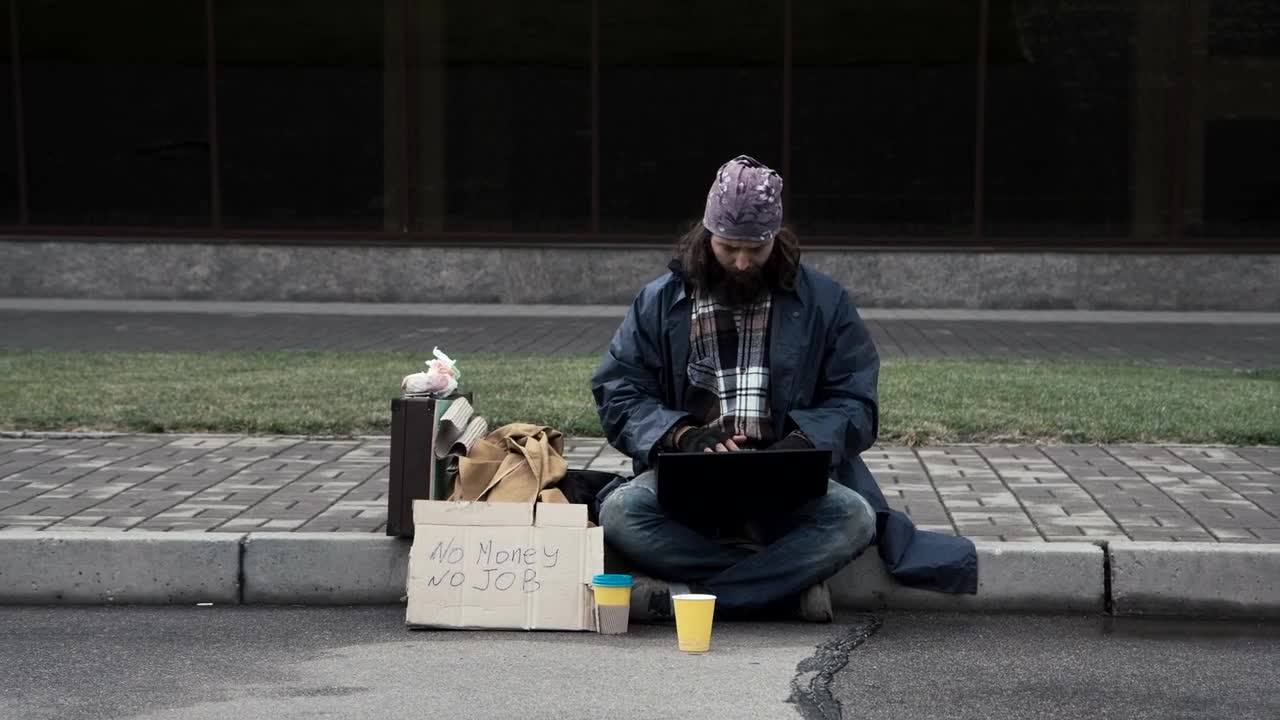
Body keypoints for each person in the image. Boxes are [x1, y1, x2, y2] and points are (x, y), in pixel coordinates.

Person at [591, 155, 977, 623]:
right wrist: (679, 435)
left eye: (756, 248)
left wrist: (805, 442)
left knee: (854, 519)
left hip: (788, 484)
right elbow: (619, 390)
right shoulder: (658, 300)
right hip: (691, 479)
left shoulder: (825, 301)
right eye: (728, 246)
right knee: (621, 513)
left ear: (777, 238)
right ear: (705, 235)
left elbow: (856, 400)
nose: (740, 262)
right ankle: (782, 592)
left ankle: (695, 596)